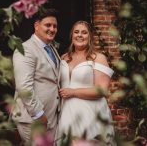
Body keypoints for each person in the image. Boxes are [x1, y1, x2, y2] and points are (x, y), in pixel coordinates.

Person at [57, 21, 116, 145]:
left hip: (90, 113)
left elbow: (102, 90)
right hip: (67, 112)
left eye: (84, 32)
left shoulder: (98, 58)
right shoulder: (63, 57)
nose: (80, 35)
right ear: (71, 35)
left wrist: (73, 92)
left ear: (90, 37)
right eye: (76, 32)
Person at [11, 8, 61, 145]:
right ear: (36, 25)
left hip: (50, 116)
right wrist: (39, 115)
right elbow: (24, 87)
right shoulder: (25, 49)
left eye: (55, 26)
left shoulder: (51, 48)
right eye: (48, 25)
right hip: (33, 119)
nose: (52, 29)